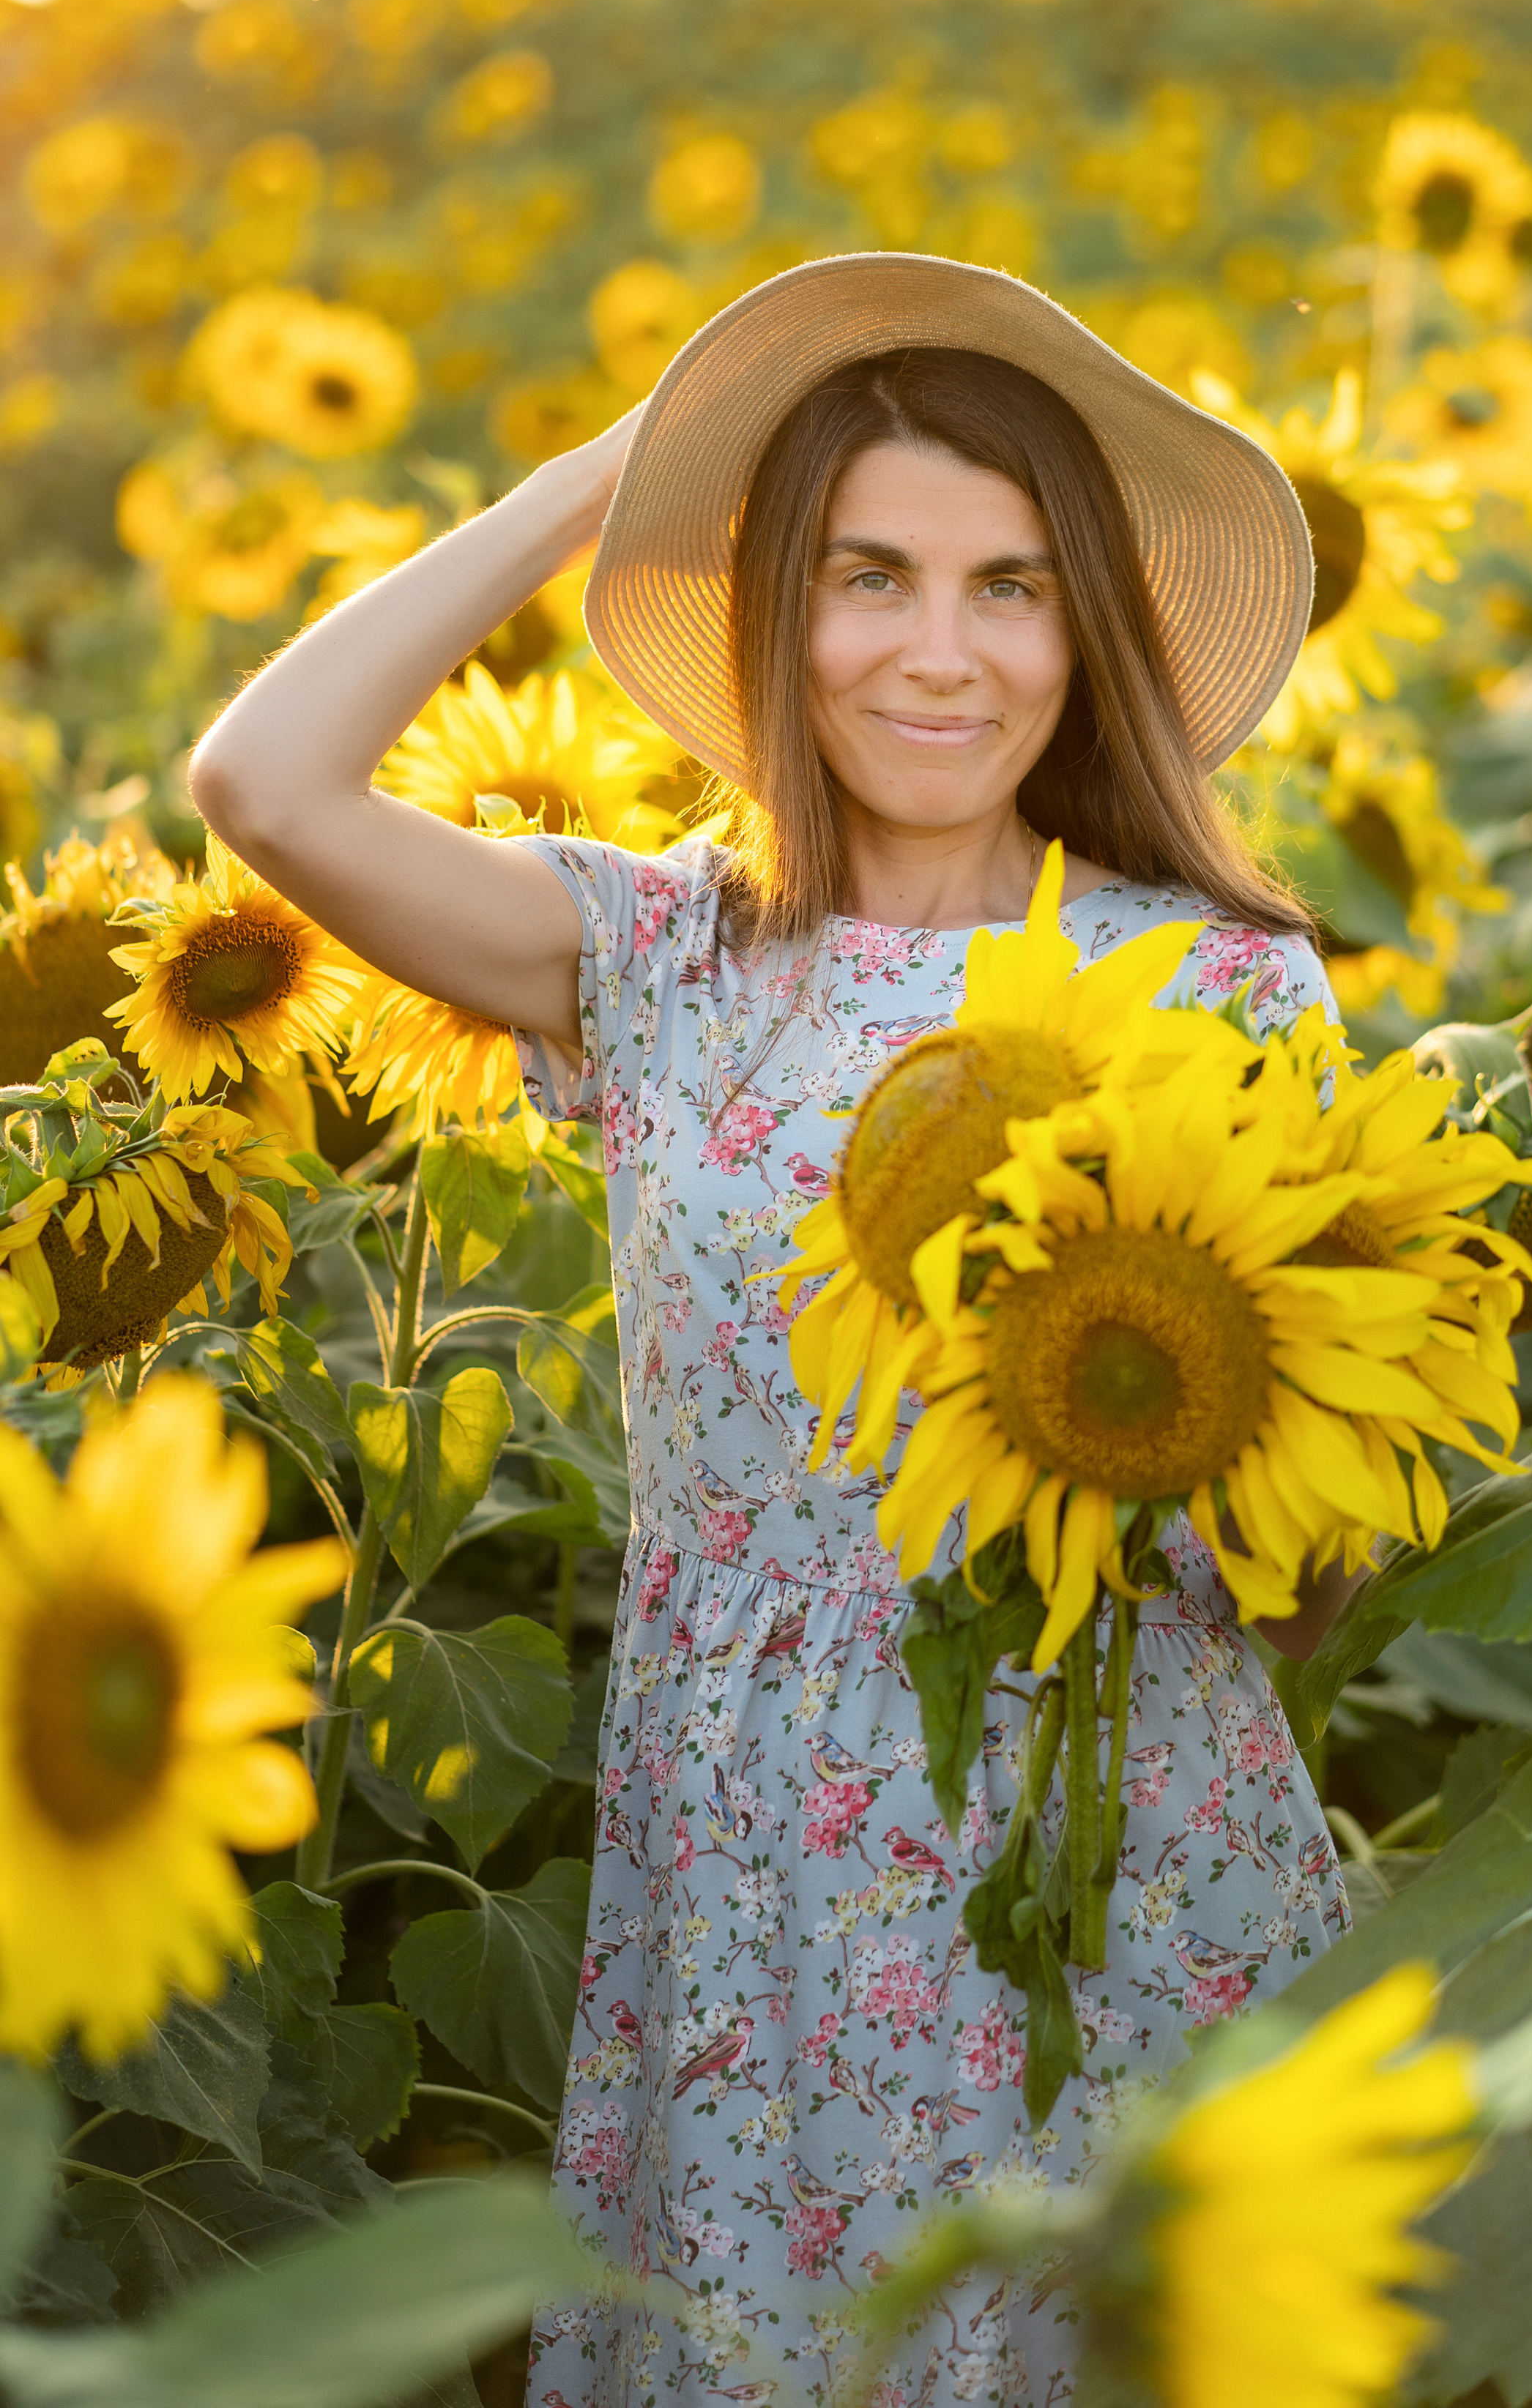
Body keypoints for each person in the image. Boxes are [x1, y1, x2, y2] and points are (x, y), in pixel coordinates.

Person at [192, 253, 1358, 2408]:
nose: (942, 653)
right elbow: (264, 787)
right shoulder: (655, 954)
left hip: (1118, 1846)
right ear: (770, 616)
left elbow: (1304, 1557)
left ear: (1083, 629)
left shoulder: (1223, 983)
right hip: (753, 1874)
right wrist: (601, 481)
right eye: (868, 577)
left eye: (1011, 587)